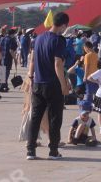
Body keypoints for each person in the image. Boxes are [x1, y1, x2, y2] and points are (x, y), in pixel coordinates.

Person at [26, 11, 71, 161]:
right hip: (53, 85)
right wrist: (64, 85)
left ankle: (30, 150)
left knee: (35, 117)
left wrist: (30, 76)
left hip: (38, 83)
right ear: (63, 25)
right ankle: (53, 151)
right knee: (55, 118)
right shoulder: (59, 40)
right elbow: (58, 64)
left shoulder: (38, 38)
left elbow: (32, 60)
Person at [0, 27, 17, 92]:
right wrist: (15, 58)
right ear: (12, 34)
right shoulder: (11, 40)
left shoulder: (1, 39)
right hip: (8, 59)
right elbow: (11, 50)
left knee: (2, 72)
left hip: (1, 58)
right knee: (6, 73)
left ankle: (5, 86)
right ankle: (1, 87)